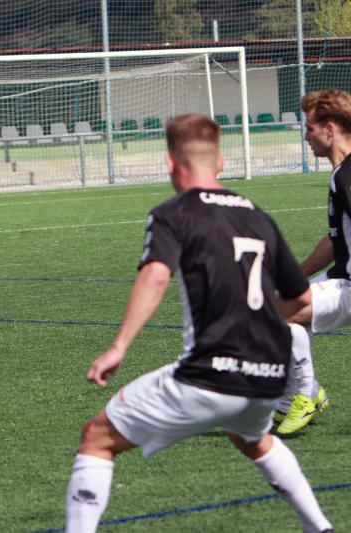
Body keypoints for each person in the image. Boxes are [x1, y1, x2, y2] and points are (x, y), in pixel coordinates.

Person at [65, 115, 333, 533]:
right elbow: (300, 298)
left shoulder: (175, 213)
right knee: (252, 439)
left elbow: (156, 275)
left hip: (209, 374)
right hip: (267, 376)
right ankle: (321, 527)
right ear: (221, 161)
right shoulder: (258, 216)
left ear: (172, 164)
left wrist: (119, 346)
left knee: (97, 438)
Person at [276, 88, 351, 433]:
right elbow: (336, 238)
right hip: (340, 276)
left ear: (331, 128)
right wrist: (297, 275)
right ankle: (305, 391)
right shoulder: (341, 173)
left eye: (309, 128)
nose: (306, 136)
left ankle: (303, 391)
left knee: (281, 311)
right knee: (279, 307)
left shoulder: (347, 175)